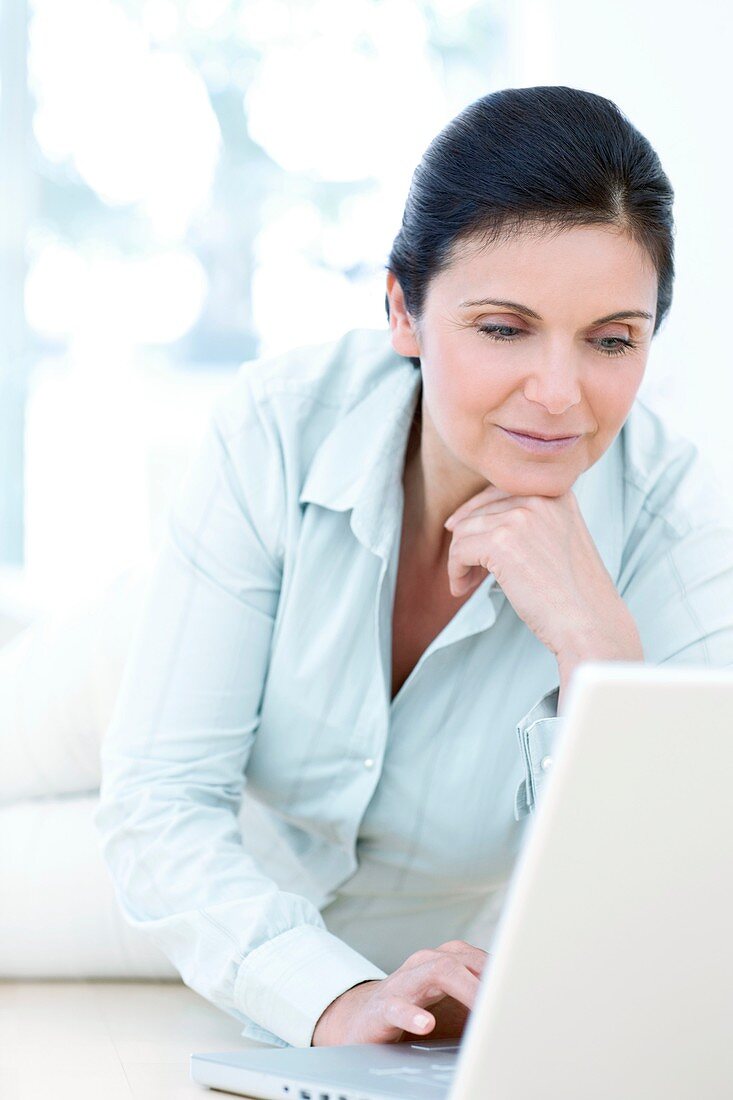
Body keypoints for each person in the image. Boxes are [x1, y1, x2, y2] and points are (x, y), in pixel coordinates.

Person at [94, 85, 733, 1051]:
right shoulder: (279, 424)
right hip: (125, 710)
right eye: (502, 328)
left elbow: (673, 904)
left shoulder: (670, 527)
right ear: (402, 309)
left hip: (269, 885)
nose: (557, 394)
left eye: (609, 340)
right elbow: (157, 802)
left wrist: (601, 658)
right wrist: (326, 999)